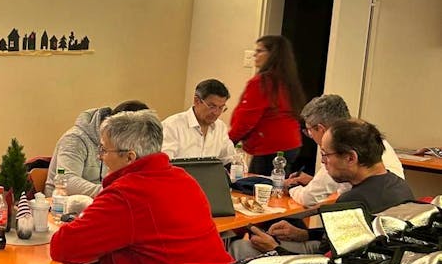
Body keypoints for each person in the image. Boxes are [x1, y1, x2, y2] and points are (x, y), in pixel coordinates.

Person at [50, 110, 231, 264]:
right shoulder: (184, 178)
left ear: (129, 157)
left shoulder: (126, 194)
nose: (100, 157)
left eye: (103, 150)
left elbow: (63, 247)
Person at [233, 119, 414, 258]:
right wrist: (305, 234)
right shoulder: (400, 186)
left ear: (351, 158)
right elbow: (350, 238)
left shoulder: (353, 203)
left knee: (239, 248)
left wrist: (274, 249)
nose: (323, 161)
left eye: (326, 155)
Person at [286, 94, 405, 206]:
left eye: (326, 155)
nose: (323, 161)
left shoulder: (340, 147)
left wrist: (291, 187)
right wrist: (314, 182)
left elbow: (308, 198)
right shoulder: (370, 138)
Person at [228, 35, 306, 174]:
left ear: (272, 54)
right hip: (290, 143)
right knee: (278, 185)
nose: (255, 55)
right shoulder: (288, 81)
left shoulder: (262, 82)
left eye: (260, 51)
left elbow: (247, 118)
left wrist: (229, 141)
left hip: (269, 145)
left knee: (257, 187)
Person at [44, 100, 150, 198]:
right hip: (61, 205)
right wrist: (111, 192)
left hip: (104, 200)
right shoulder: (75, 139)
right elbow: (67, 181)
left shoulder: (127, 146)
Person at [161, 78, 236, 162]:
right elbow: (164, 164)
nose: (216, 113)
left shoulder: (220, 127)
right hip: (180, 175)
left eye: (221, 107)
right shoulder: (171, 126)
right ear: (197, 101)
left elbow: (230, 159)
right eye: (212, 106)